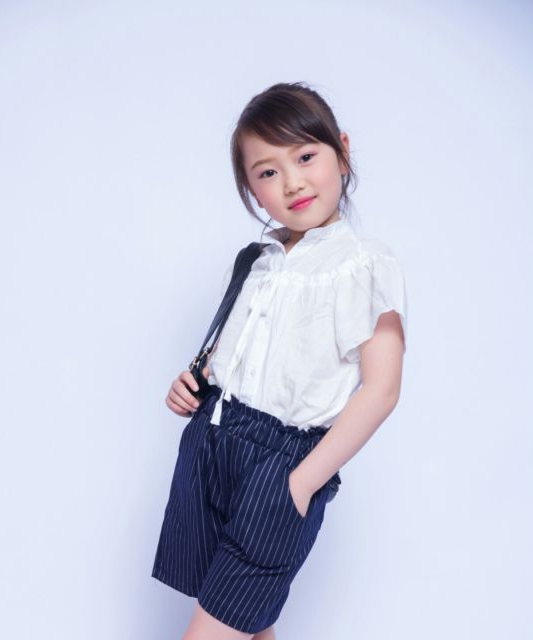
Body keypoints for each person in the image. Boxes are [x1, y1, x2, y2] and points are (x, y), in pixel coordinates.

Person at [151, 81, 408, 639]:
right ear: (251, 188)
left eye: (306, 156)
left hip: (283, 466)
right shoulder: (255, 261)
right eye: (268, 171)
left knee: (215, 628)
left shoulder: (363, 265)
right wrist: (191, 384)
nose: (292, 181)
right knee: (247, 623)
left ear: (342, 152)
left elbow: (382, 389)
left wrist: (300, 483)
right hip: (212, 446)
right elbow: (231, 360)